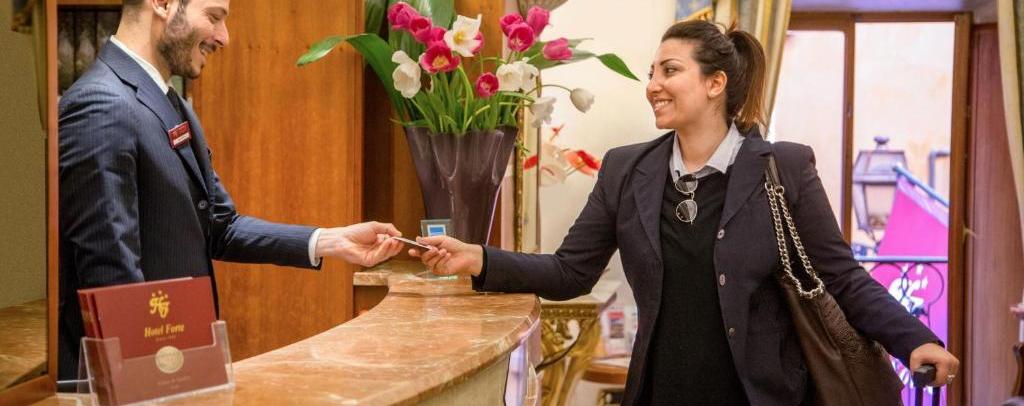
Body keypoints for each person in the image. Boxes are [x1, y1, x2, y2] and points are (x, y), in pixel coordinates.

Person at [410, 20, 959, 405]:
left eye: (669, 71)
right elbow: (569, 272)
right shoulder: (626, 170)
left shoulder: (783, 168)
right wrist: (477, 258)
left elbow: (840, 276)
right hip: (659, 392)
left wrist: (914, 339)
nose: (652, 85)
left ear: (715, 84)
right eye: (652, 72)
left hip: (763, 395)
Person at [57, 0, 404, 380]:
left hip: (168, 370)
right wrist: (157, 385)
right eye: (214, 17)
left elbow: (219, 226)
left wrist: (331, 241)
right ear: (162, 4)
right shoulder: (100, 104)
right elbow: (110, 270)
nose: (224, 37)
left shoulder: (172, 103)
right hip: (130, 381)